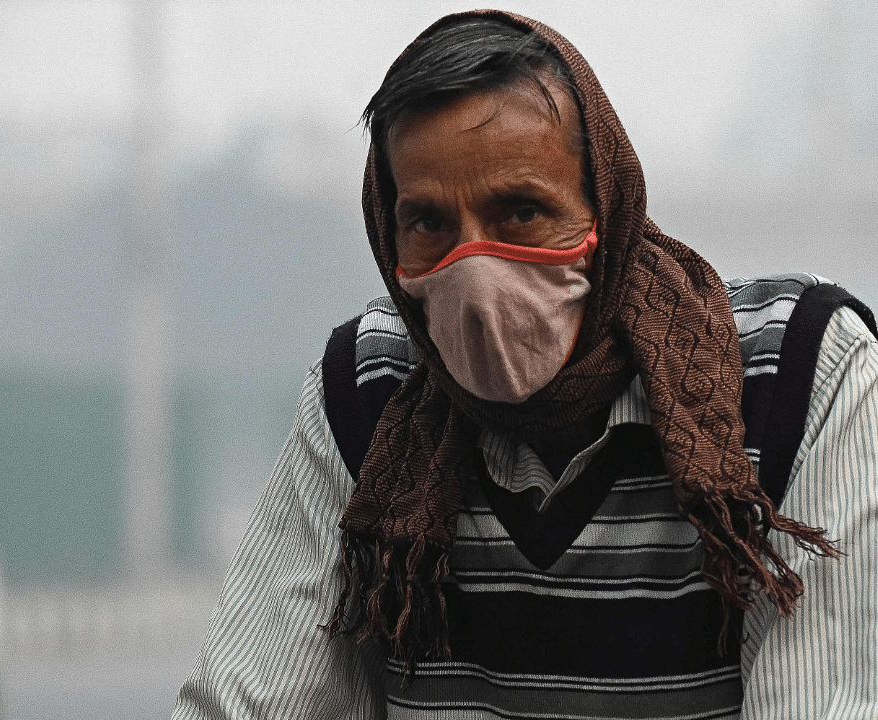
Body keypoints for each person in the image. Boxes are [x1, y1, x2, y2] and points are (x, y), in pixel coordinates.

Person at [172, 10, 878, 720]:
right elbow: (249, 699)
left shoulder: (801, 375)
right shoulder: (370, 391)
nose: (475, 272)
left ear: (608, 209)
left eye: (521, 212)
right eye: (429, 225)